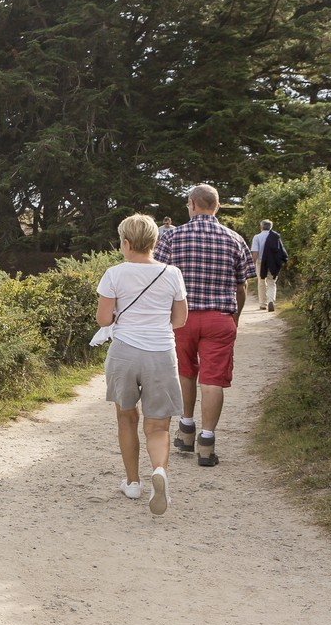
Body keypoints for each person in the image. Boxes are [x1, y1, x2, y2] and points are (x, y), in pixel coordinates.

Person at [154, 184, 254, 467]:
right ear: (217, 206)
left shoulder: (172, 237)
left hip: (181, 318)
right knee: (212, 380)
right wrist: (234, 317)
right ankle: (207, 443)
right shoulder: (235, 239)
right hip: (219, 319)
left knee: (185, 371)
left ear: (193, 205)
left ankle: (186, 430)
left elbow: (159, 279)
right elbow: (242, 286)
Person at [95, 214, 188, 514]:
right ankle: (159, 471)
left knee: (126, 418)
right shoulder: (172, 274)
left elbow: (103, 319)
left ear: (125, 243)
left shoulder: (113, 274)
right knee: (158, 424)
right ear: (155, 241)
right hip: (161, 352)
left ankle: (133, 483)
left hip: (124, 352)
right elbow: (180, 319)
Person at [250, 220, 289, 311]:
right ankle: (271, 300)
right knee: (271, 282)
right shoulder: (275, 236)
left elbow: (255, 252)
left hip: (261, 262)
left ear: (261, 227)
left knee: (261, 282)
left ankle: (263, 304)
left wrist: (252, 263)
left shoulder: (257, 237)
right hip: (273, 263)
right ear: (271, 227)